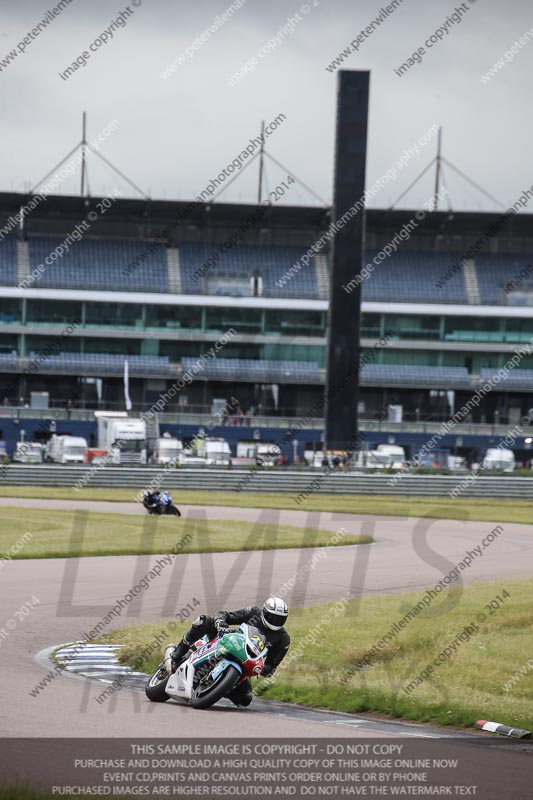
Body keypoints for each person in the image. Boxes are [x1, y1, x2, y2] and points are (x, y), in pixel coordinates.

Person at [164, 597, 290, 707]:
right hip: (229, 642)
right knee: (204, 621)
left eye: (280, 619)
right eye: (272, 617)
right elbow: (224, 615)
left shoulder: (283, 639)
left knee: (245, 699)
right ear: (264, 612)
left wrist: (262, 668)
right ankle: (176, 655)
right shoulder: (253, 613)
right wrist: (221, 623)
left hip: (246, 663)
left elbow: (271, 667)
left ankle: (218, 688)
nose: (275, 621)